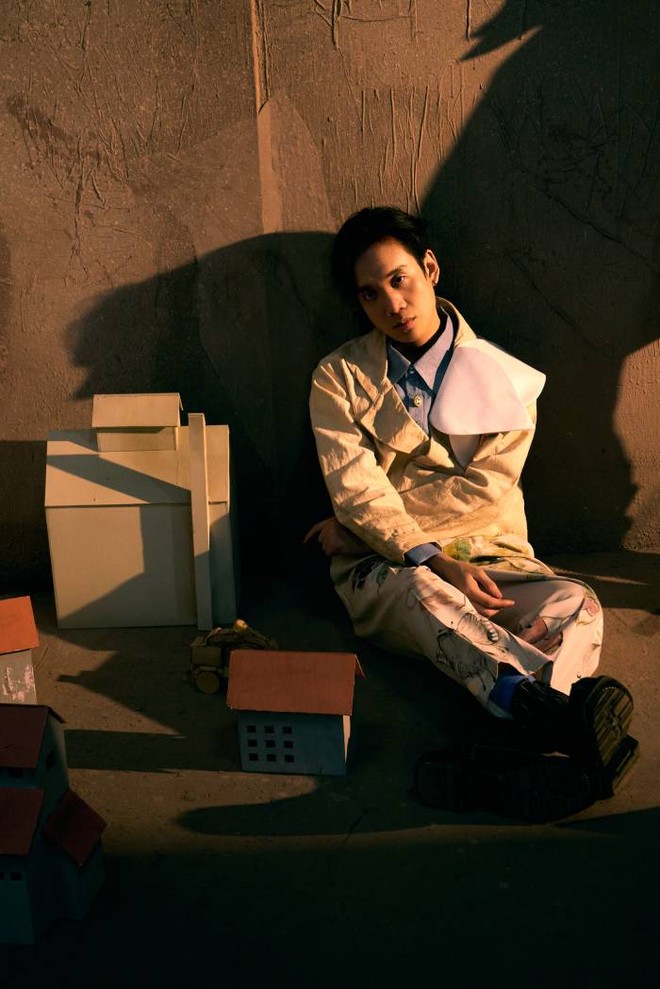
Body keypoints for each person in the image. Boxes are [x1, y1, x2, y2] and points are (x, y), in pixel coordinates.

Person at [305, 206, 638, 819]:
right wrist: (424, 555)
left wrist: (359, 530)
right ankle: (562, 726)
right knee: (426, 594)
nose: (392, 304)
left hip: (494, 554)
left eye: (400, 279)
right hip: (394, 570)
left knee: (578, 604)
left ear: (430, 269)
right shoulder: (338, 377)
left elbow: (482, 491)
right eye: (370, 293)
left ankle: (507, 742)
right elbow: (356, 489)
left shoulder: (508, 378)